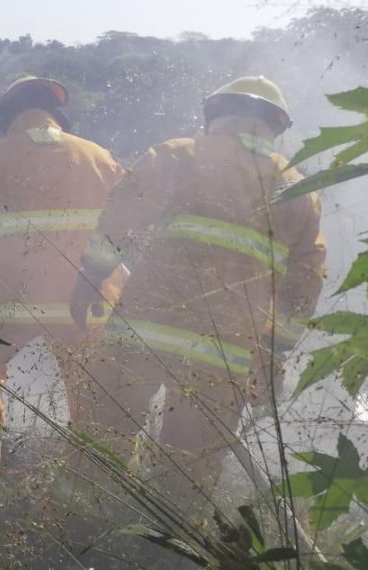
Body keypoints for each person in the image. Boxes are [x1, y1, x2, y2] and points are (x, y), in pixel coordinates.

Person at [68, 76, 326, 509]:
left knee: (99, 444)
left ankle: (77, 534)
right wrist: (272, 353)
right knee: (188, 478)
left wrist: (91, 276)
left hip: (141, 333)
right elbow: (305, 284)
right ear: (275, 126)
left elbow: (119, 219)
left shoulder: (177, 155)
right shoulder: (299, 192)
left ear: (216, 113)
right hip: (224, 352)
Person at [0, 75, 124, 479]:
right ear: (56, 114)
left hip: (8, 296)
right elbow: (125, 229)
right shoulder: (100, 157)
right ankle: (100, 490)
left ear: (9, 116)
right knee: (96, 392)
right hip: (85, 297)